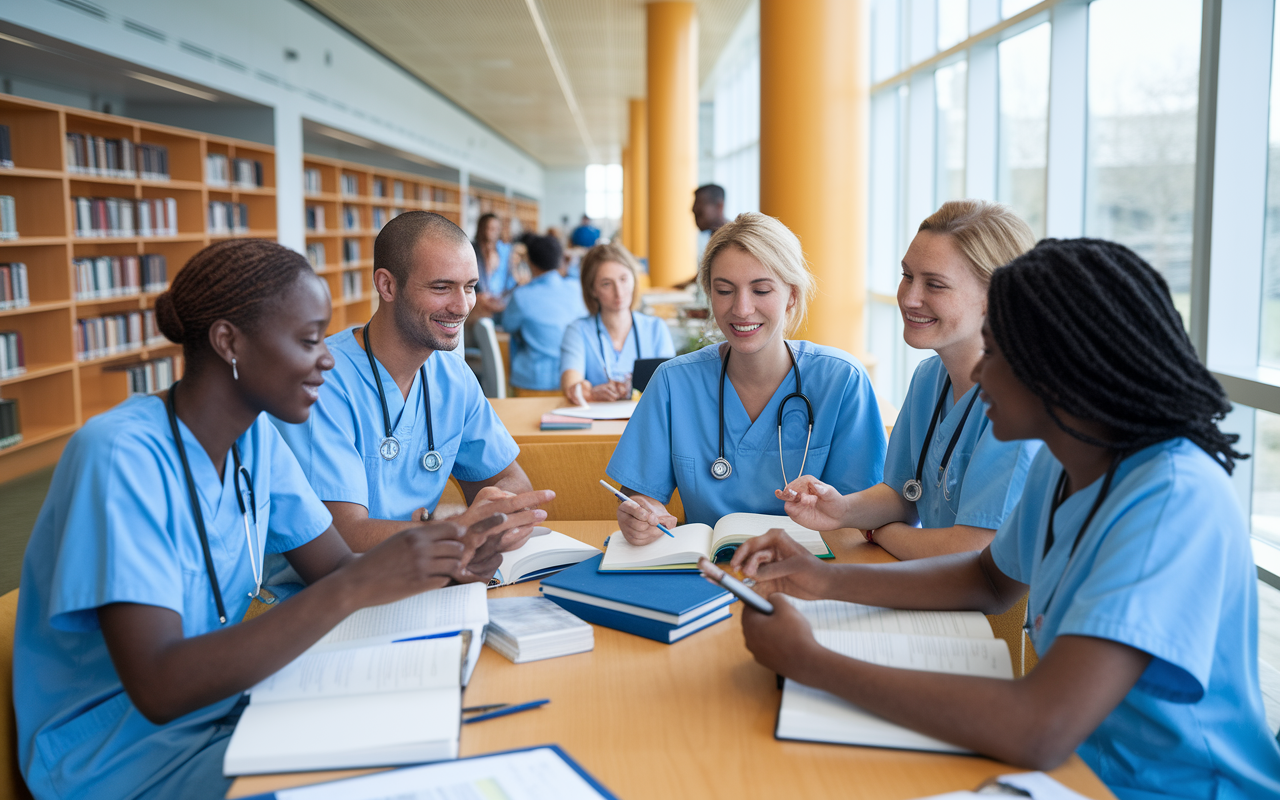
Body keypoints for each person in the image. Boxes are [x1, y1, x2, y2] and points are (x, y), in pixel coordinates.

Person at [726, 238, 1280, 800]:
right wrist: (824, 579)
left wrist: (811, 663)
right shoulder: (1067, 462)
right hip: (1073, 770)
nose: (980, 376)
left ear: (1060, 369)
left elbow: (1039, 728)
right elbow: (987, 579)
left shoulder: (1171, 502)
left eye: (995, 355)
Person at [14, 239, 508, 800]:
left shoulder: (256, 440)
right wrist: (356, 583)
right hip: (117, 755)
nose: (327, 358)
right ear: (229, 343)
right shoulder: (120, 455)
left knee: (444, 741)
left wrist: (451, 560)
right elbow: (159, 686)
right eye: (307, 340)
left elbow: (334, 567)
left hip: (230, 706)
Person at [274, 211, 551, 565]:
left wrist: (498, 515)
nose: (462, 305)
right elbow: (341, 535)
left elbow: (509, 478)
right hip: (322, 597)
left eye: (470, 287)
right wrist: (453, 531)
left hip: (421, 578)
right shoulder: (321, 382)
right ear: (387, 285)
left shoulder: (453, 377)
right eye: (441, 287)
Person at [780, 201, 1041, 560]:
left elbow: (970, 553)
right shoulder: (928, 378)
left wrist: (881, 533)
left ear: (994, 297)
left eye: (935, 284)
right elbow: (904, 495)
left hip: (995, 613)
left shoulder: (1020, 401)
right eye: (907, 276)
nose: (910, 298)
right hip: (933, 588)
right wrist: (840, 510)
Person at [605, 212, 886, 544]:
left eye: (761, 290)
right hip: (708, 574)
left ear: (792, 295)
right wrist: (641, 515)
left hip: (817, 572)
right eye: (724, 290)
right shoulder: (673, 383)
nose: (741, 309)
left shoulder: (841, 381)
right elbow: (641, 497)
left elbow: (868, 510)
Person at [559, 241, 675, 406]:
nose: (619, 292)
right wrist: (589, 393)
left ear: (634, 280)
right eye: (606, 284)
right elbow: (571, 386)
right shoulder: (578, 331)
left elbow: (670, 386)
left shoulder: (656, 329)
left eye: (623, 279)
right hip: (597, 426)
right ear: (592, 290)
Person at [503, 234, 588, 393]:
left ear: (530, 262)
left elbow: (508, 325)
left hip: (532, 381)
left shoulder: (522, 296)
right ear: (560, 260)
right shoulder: (577, 289)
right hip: (575, 379)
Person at [470, 212, 514, 322]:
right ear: (480, 228)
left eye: (494, 228)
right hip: (477, 305)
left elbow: (510, 282)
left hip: (500, 305)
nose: (489, 232)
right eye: (487, 228)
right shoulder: (470, 250)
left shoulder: (506, 252)